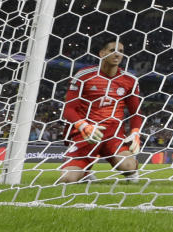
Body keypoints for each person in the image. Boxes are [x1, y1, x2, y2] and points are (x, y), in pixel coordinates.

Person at [58, 39, 143, 183]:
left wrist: (135, 131)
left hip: (113, 136)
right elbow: (69, 109)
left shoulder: (130, 80)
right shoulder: (84, 75)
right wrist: (83, 126)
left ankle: (131, 167)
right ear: (102, 53)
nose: (117, 54)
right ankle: (85, 171)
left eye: (121, 51)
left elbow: (136, 113)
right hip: (87, 134)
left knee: (128, 166)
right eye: (112, 50)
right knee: (67, 179)